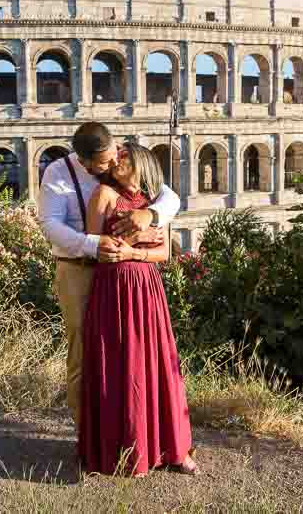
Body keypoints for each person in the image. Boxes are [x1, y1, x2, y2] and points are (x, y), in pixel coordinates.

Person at [37, 122, 180, 431]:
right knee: (83, 353)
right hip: (77, 270)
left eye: (115, 157)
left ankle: (128, 427)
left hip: (120, 275)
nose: (113, 164)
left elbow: (169, 196)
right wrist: (91, 244)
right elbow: (49, 225)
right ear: (84, 161)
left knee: (124, 353)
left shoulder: (122, 158)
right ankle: (87, 432)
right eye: (103, 164)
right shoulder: (57, 173)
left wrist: (151, 214)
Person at [78, 142, 197, 477]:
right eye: (116, 157)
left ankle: (173, 448)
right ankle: (124, 452)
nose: (118, 161)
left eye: (125, 156)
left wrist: (134, 253)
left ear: (142, 162)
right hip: (114, 287)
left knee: (158, 364)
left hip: (146, 286)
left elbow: (164, 253)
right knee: (121, 367)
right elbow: (94, 244)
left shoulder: (152, 203)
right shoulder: (103, 194)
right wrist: (124, 248)